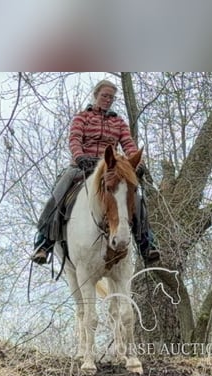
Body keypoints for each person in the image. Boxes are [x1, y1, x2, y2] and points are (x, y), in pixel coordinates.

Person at [31, 79, 161, 265]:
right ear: (96, 95)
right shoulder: (82, 117)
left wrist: (136, 164)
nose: (107, 100)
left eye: (111, 97)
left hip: (110, 169)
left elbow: (128, 144)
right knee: (58, 194)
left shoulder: (118, 122)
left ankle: (146, 244)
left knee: (135, 198)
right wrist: (80, 156)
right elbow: (74, 139)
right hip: (83, 166)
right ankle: (43, 242)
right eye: (104, 96)